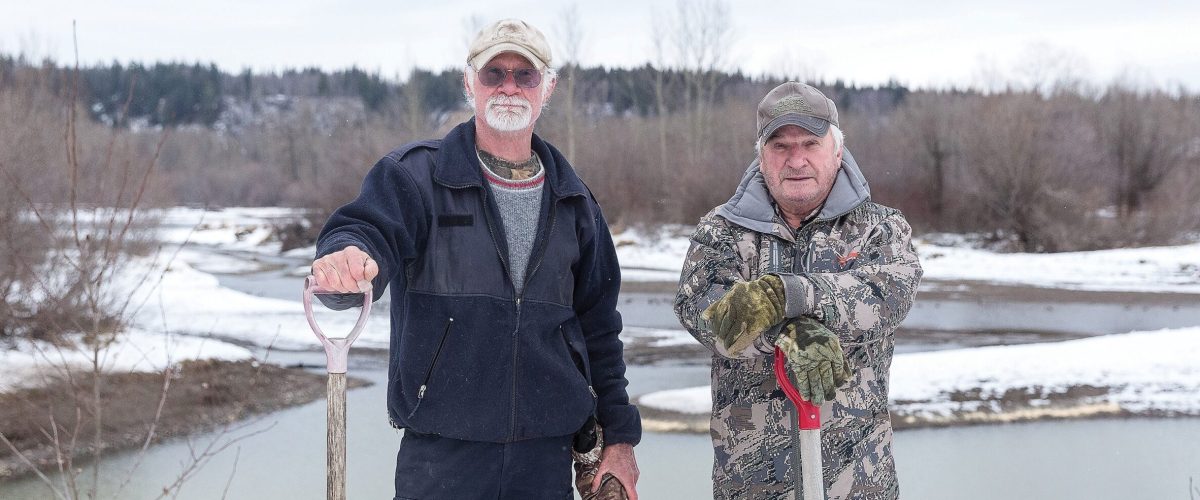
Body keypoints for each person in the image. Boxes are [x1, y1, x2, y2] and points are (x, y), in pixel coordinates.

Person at [310, 18, 640, 500]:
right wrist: (346, 259)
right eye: (494, 74)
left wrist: (621, 438)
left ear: (547, 88)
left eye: (524, 75)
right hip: (441, 460)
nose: (509, 87)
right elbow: (364, 230)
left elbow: (600, 331)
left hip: (544, 462)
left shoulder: (576, 203)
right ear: (470, 83)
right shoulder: (416, 177)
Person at [674, 82, 922, 500]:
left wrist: (795, 295)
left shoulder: (878, 229)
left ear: (837, 151)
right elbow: (703, 309)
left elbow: (888, 295)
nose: (797, 160)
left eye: (810, 143)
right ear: (761, 155)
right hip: (750, 485)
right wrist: (784, 335)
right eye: (781, 146)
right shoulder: (721, 232)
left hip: (859, 484)